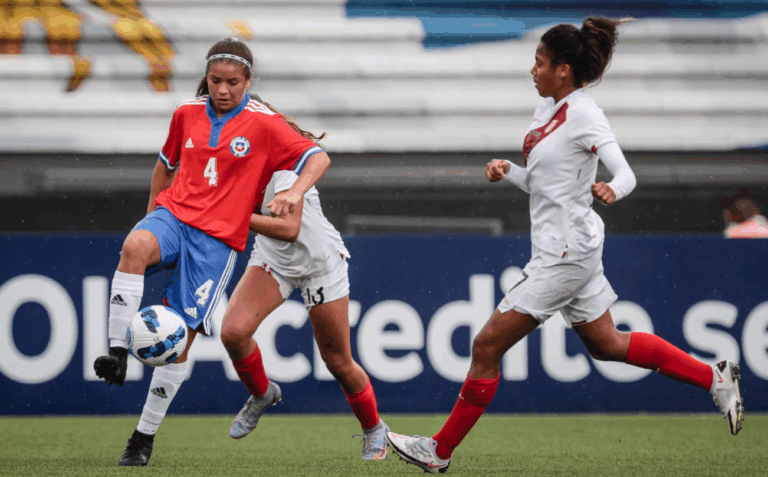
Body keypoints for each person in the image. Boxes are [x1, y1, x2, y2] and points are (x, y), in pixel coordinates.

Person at [385, 16, 744, 474]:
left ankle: (439, 451)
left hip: (565, 254)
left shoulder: (585, 113)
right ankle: (714, 378)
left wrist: (616, 189)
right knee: (608, 344)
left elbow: (626, 171)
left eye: (539, 62)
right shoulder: (547, 110)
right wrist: (509, 172)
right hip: (570, 249)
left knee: (486, 346)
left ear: (564, 70)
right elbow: (545, 185)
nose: (532, 70)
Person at [92, 37, 331, 467]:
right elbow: (165, 163)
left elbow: (318, 157)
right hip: (175, 215)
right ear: (207, 77)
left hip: (216, 242)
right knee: (134, 245)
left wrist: (294, 190)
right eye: (216, 81)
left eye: (233, 83)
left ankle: (142, 437)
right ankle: (117, 352)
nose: (222, 90)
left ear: (248, 80)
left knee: (179, 340)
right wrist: (151, 217)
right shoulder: (186, 112)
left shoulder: (264, 122)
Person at [219, 142, 389, 460]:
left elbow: (289, 228)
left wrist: (233, 216)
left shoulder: (281, 168)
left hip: (319, 265)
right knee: (233, 333)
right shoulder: (224, 162)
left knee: (338, 362)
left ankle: (374, 429)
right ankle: (262, 394)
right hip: (273, 260)